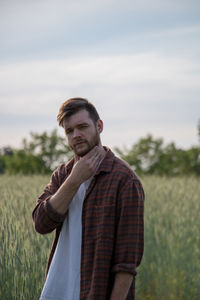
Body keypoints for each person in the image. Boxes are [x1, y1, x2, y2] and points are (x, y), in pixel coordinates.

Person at [32, 97, 145, 300]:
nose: (76, 135)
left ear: (99, 126)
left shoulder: (125, 181)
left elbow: (126, 265)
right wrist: (74, 180)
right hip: (56, 294)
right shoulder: (62, 175)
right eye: (69, 131)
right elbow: (41, 223)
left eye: (82, 127)